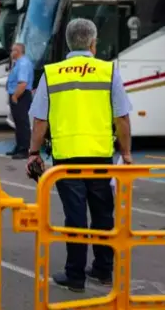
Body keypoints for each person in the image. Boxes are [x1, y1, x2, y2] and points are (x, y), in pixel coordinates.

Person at [26, 18, 133, 292]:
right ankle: (103, 270)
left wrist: (32, 152)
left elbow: (40, 120)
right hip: (100, 157)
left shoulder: (52, 73)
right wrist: (127, 152)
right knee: (103, 215)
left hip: (67, 160)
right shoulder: (109, 72)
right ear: (93, 43)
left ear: (68, 43)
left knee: (75, 217)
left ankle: (75, 276)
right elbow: (121, 117)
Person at [6, 43, 34, 159]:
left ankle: (24, 149)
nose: (11, 53)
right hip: (19, 95)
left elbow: (22, 83)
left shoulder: (22, 64)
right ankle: (19, 146)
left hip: (20, 95)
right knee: (18, 123)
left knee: (22, 123)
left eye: (12, 51)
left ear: (17, 51)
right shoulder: (20, 63)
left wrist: (15, 96)